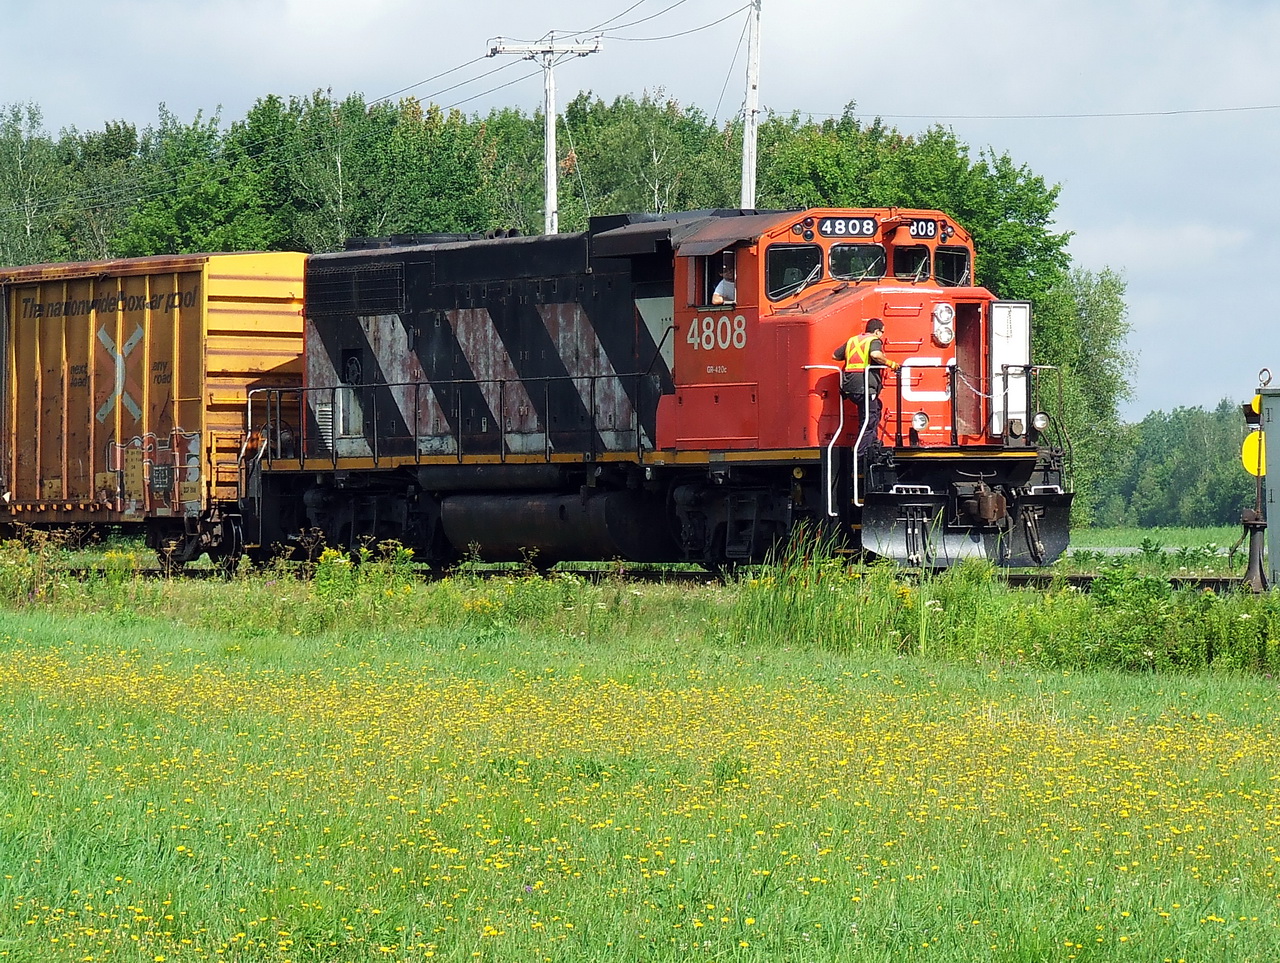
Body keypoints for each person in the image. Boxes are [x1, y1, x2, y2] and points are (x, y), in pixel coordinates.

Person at [833, 318, 899, 453]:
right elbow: (875, 354)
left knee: (876, 408)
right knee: (869, 420)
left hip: (849, 387)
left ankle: (873, 442)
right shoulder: (874, 341)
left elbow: (835, 355)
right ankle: (862, 454)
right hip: (865, 386)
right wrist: (891, 363)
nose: (882, 335)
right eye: (882, 332)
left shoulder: (853, 341)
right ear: (876, 331)